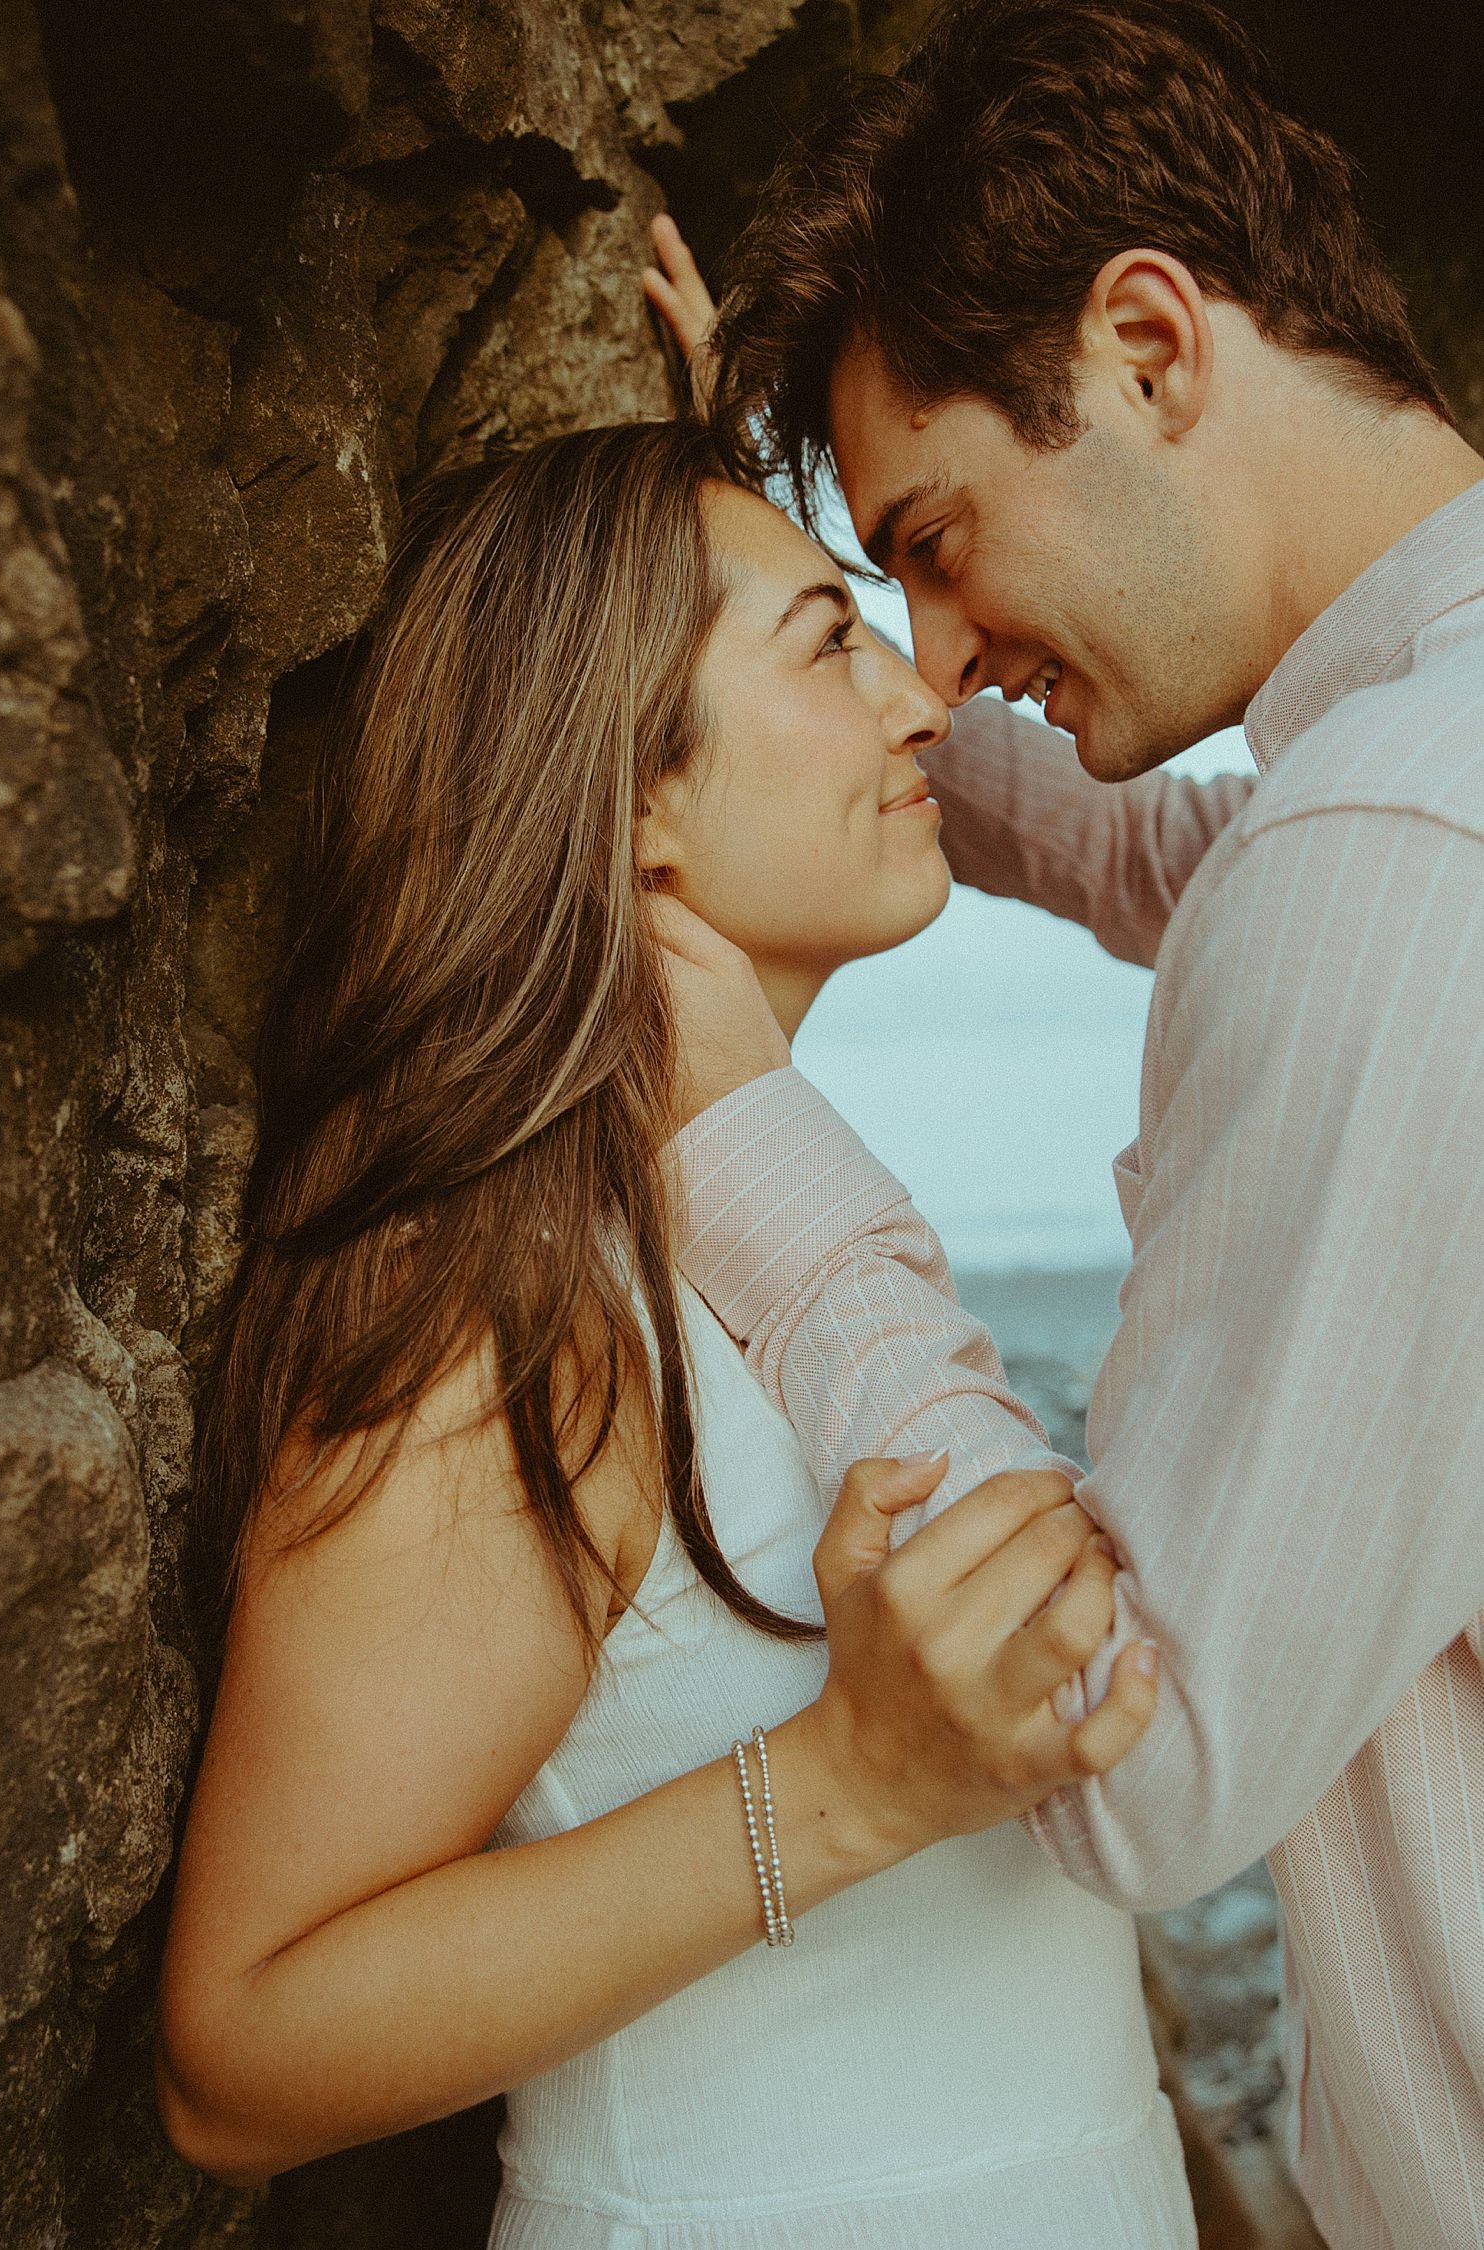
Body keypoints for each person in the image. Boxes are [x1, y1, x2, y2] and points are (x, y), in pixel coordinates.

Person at [153, 420, 1189, 2247]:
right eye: (827, 639)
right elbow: (241, 2048)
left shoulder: (773, 1219)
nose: (923, 701)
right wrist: (845, 1787)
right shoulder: (506, 1290)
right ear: (631, 790)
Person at [641, 2, 1484, 2244]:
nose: (927, 655)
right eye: (869, 606)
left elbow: (1133, 1738)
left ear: (1146, 343)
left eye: (931, 540)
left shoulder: (1392, 855)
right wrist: (715, 597)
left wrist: (743, 1132)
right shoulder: (1401, 787)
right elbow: (1186, 863)